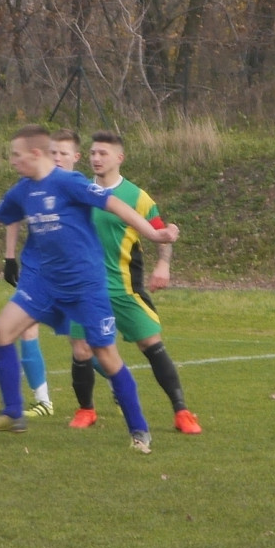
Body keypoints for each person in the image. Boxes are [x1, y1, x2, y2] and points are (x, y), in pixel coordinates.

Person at [0, 124, 179, 453]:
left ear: (36, 153)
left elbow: (114, 205)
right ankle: (12, 413)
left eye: (16, 155)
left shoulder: (69, 182)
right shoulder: (23, 190)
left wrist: (153, 234)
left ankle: (139, 429)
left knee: (106, 356)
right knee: (0, 333)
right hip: (43, 283)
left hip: (85, 286)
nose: (12, 161)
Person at [67, 130, 202, 434]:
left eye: (103, 153)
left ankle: (182, 412)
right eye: (92, 153)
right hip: (85, 288)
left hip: (125, 288)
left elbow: (160, 233)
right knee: (81, 350)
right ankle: (86, 410)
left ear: (119, 158)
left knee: (151, 344)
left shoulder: (138, 197)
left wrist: (163, 265)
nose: (96, 158)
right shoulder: (78, 191)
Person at [2, 128, 83, 418]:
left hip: (72, 273)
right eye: (54, 152)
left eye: (63, 153)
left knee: (85, 344)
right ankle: (43, 400)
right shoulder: (31, 183)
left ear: (76, 156)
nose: (58, 158)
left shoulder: (77, 186)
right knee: (25, 327)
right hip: (36, 267)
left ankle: (113, 380)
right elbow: (11, 215)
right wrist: (9, 257)